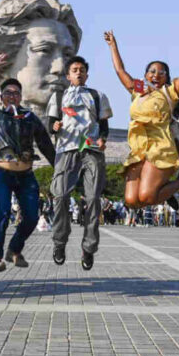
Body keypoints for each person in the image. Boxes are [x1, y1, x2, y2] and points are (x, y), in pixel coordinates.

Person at [103, 28, 179, 211]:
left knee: (148, 197)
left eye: (161, 73)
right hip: (138, 149)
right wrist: (113, 45)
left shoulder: (170, 93)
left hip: (159, 148)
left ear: (167, 78)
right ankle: (170, 187)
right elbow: (120, 70)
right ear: (145, 75)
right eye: (152, 72)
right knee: (131, 201)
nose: (156, 75)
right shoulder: (137, 91)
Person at [0, 53, 56, 275]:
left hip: (26, 174)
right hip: (2, 172)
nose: (12, 96)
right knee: (2, 213)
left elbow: (45, 144)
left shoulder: (30, 117)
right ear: (2, 97)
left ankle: (14, 249)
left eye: (16, 93)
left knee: (31, 216)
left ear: (21, 97)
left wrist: (59, 168)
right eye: (8, 93)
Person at [46, 56, 112, 270]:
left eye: (82, 70)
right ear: (68, 75)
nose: (79, 73)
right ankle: (59, 242)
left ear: (87, 74)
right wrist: (54, 127)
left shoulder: (97, 95)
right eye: (75, 70)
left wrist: (103, 138)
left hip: (90, 150)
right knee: (61, 195)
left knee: (93, 199)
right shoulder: (58, 96)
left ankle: (89, 248)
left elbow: (103, 125)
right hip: (67, 150)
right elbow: (50, 123)